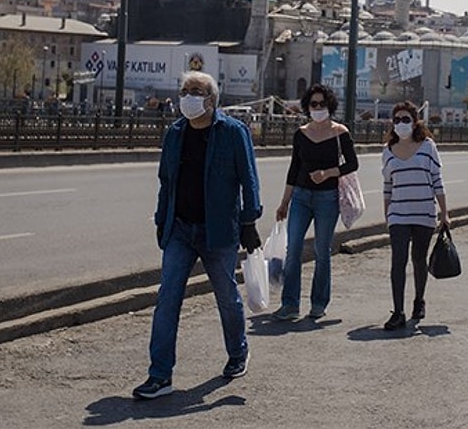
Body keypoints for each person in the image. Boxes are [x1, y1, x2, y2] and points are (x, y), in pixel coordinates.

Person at [133, 71, 262, 400]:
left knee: (226, 298)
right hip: (180, 228)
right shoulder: (175, 133)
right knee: (167, 300)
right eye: (185, 90)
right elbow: (166, 181)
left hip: (219, 231)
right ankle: (160, 375)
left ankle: (237, 352)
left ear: (211, 99)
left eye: (196, 91)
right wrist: (162, 221)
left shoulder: (234, 132)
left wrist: (249, 222)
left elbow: (249, 179)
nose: (188, 96)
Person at [274, 84, 359, 321]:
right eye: (314, 104)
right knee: (293, 250)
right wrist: (284, 203)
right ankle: (290, 304)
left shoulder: (340, 132)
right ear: (307, 107)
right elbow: (294, 169)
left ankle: (319, 303)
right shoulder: (301, 133)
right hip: (301, 196)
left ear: (330, 105)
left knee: (322, 251)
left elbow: (352, 164)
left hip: (327, 198)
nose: (318, 108)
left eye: (322, 104)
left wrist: (329, 173)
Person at [381, 101, 450, 330]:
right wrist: (387, 214)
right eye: (397, 119)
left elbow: (437, 180)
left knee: (418, 259)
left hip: (424, 213)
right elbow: (387, 186)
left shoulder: (427, 146)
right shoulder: (387, 151)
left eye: (406, 119)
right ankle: (398, 312)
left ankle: (419, 300)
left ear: (415, 122)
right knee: (397, 262)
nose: (401, 123)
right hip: (398, 215)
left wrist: (444, 213)